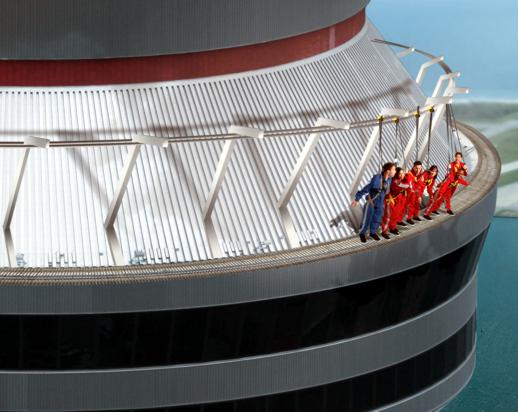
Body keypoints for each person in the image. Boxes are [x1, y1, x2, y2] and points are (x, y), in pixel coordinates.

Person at [352, 162, 396, 243]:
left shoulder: (389, 180)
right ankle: (362, 233)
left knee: (377, 219)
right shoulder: (377, 179)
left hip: (380, 203)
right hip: (371, 202)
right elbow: (367, 188)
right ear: (388, 171)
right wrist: (357, 199)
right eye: (393, 170)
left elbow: (387, 192)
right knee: (367, 219)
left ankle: (373, 232)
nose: (395, 171)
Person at [424, 152, 469, 219]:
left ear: (461, 158)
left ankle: (443, 209)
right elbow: (449, 173)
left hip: (453, 184)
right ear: (455, 157)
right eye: (457, 157)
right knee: (438, 196)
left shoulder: (463, 165)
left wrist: (465, 169)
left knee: (447, 197)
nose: (458, 158)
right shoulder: (451, 164)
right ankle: (427, 213)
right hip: (447, 182)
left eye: (459, 157)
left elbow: (465, 174)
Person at [381, 167, 409, 239]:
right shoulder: (394, 181)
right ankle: (384, 231)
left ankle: (392, 228)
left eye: (403, 173)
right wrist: (406, 181)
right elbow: (405, 186)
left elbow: (407, 186)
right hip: (390, 201)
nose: (402, 175)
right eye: (400, 173)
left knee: (395, 215)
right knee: (388, 217)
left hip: (397, 200)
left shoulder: (400, 180)